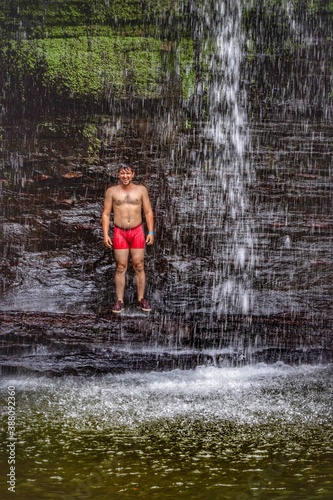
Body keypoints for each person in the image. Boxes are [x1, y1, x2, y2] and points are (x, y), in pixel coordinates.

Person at [102, 164, 154, 313]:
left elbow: (148, 212)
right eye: (122, 174)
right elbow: (106, 214)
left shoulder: (141, 190)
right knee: (120, 266)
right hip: (120, 232)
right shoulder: (111, 191)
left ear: (133, 174)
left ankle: (141, 299)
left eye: (128, 174)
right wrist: (105, 234)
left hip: (137, 231)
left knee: (139, 265)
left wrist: (150, 232)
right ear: (118, 175)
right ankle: (119, 300)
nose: (125, 176)